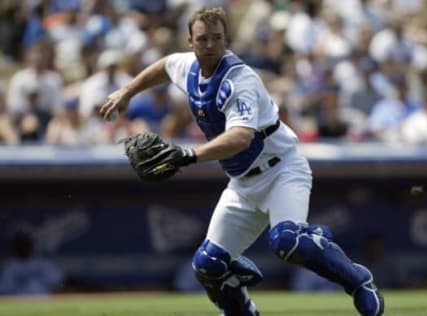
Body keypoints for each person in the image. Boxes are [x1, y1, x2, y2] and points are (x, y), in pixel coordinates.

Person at [100, 7, 384, 316]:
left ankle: (359, 281)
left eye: (216, 38)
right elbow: (165, 66)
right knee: (207, 265)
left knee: (288, 242)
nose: (209, 45)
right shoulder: (188, 66)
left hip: (281, 171)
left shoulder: (239, 79)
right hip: (243, 182)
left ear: (227, 40)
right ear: (191, 41)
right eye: (203, 39)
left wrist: (188, 155)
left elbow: (240, 138)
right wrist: (128, 91)